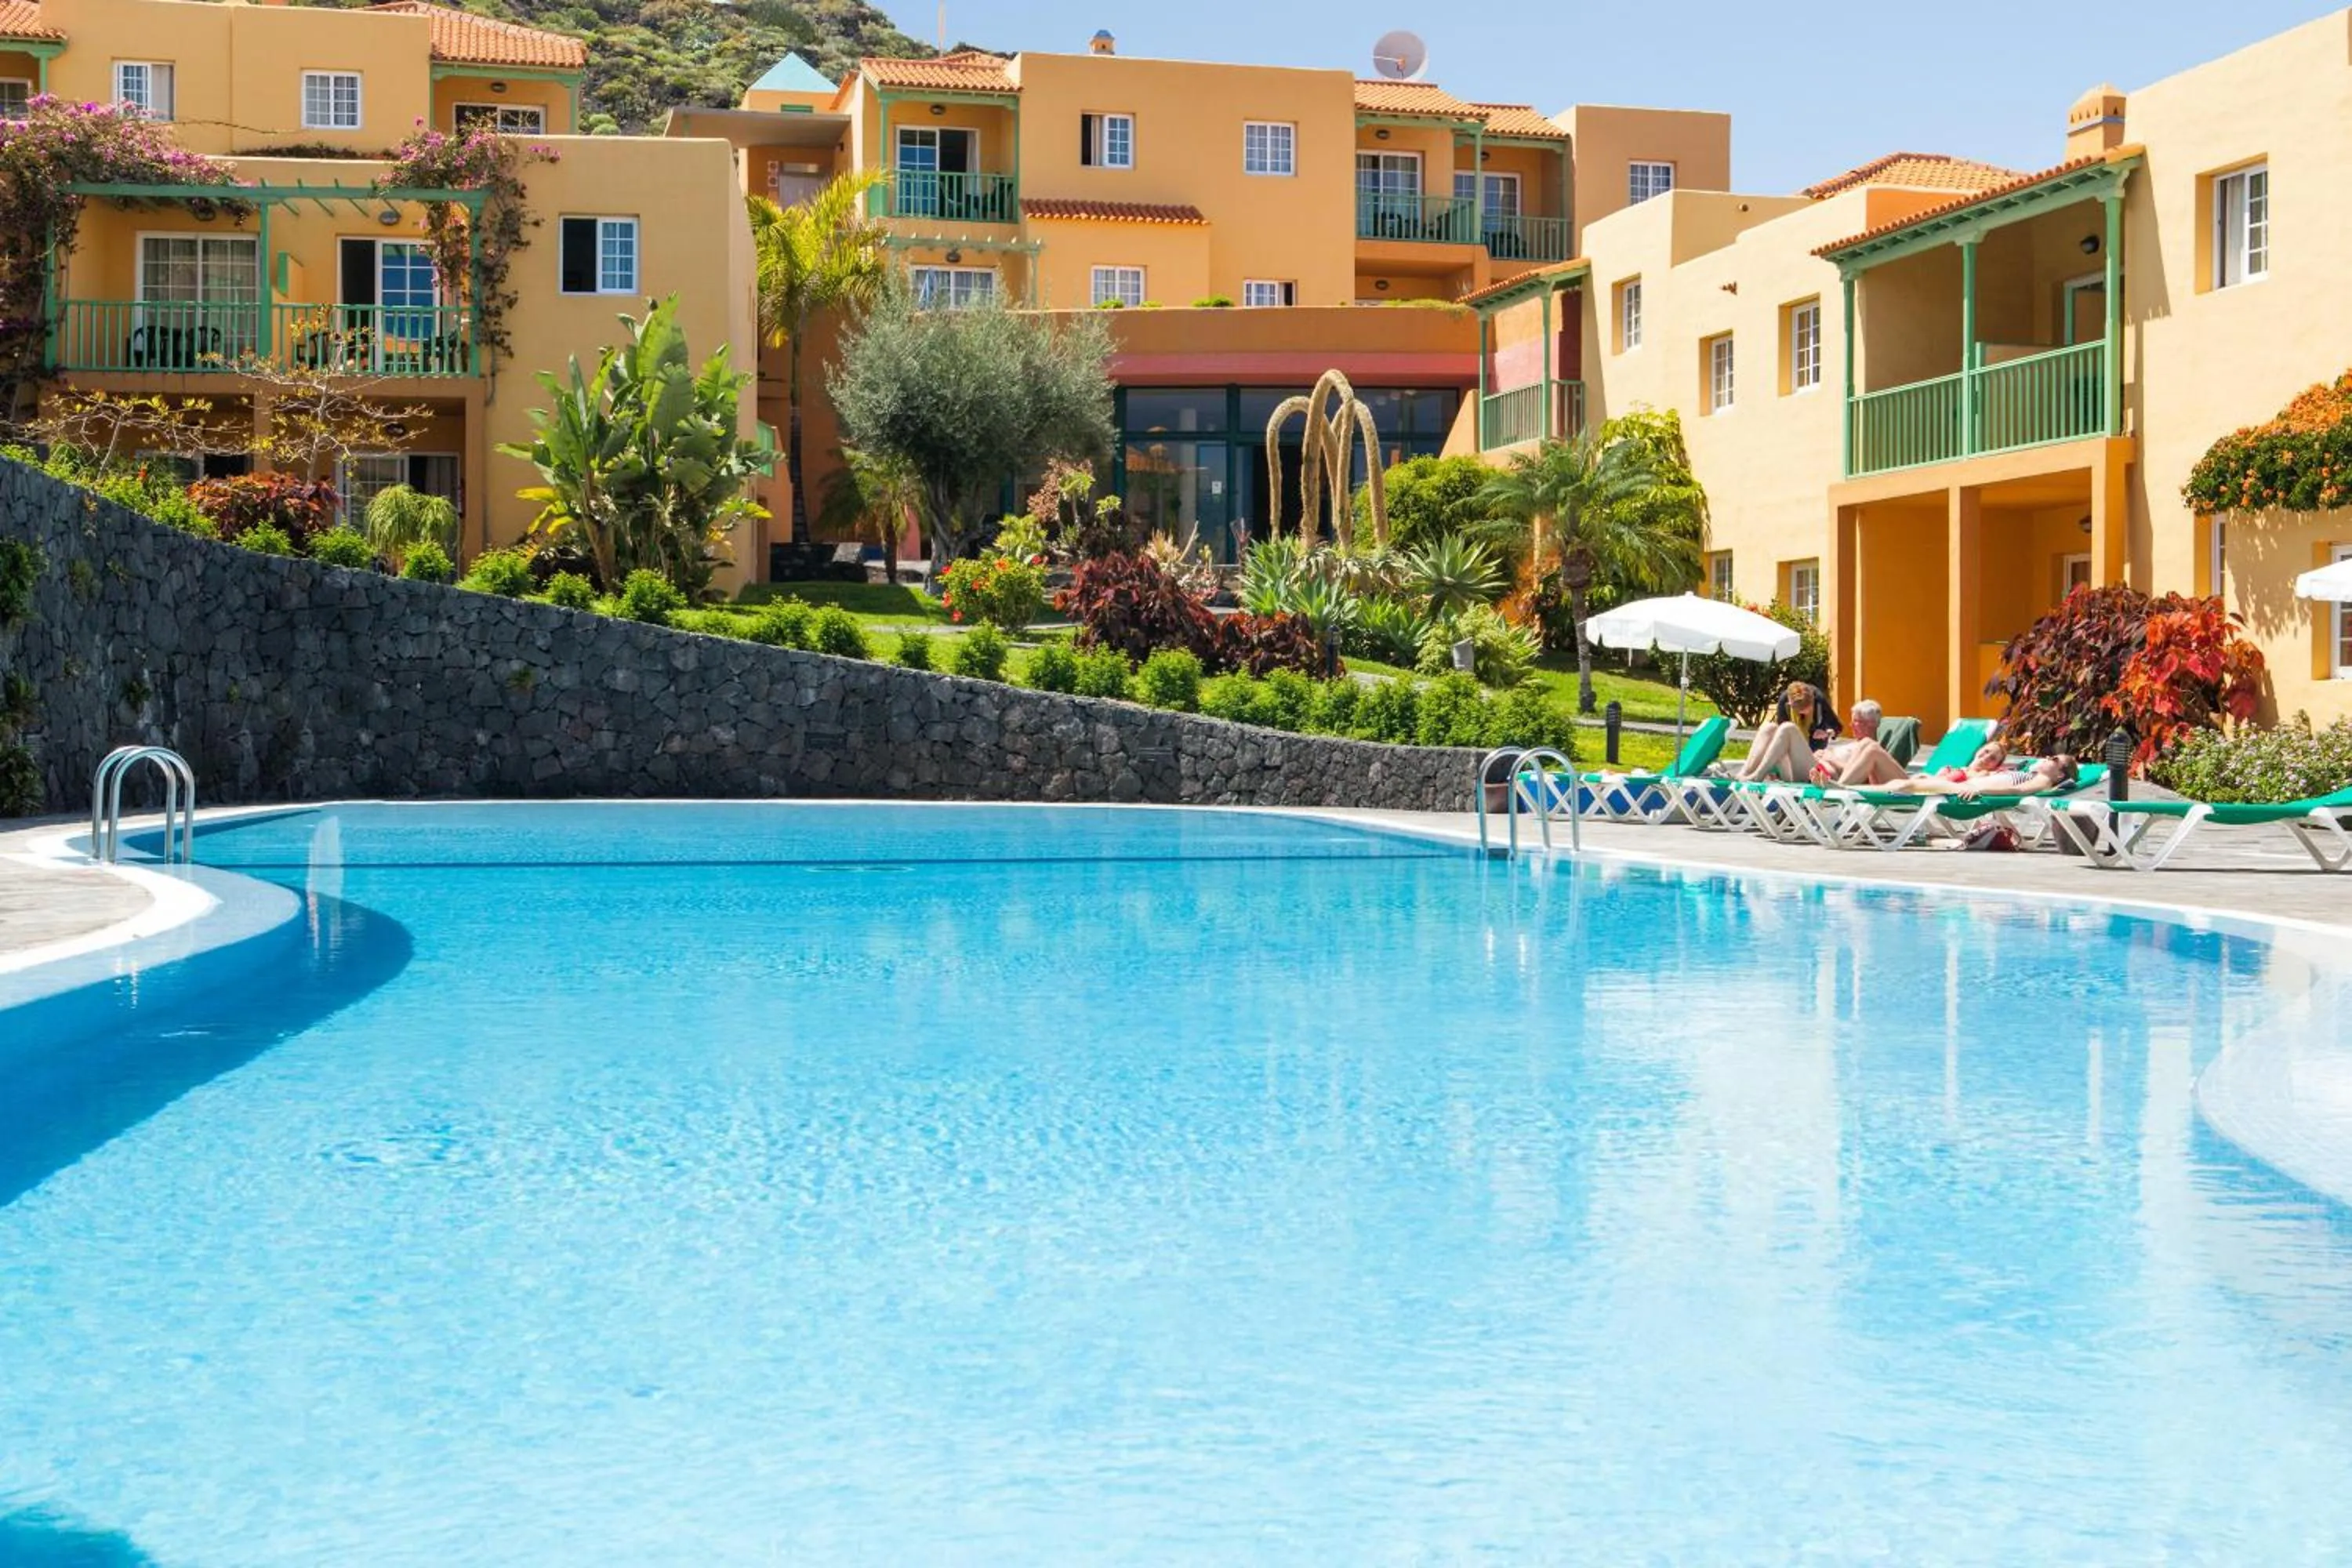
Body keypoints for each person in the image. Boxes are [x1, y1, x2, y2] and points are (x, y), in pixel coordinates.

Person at [1734, 681, 1842, 782]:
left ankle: (1758, 776)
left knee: (1788, 728)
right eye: (1799, 711)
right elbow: (1779, 740)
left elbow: (1837, 727)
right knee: (1769, 727)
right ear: (1790, 705)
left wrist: (1827, 733)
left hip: (1812, 764)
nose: (1803, 714)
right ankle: (1744, 773)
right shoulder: (1785, 701)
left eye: (1806, 709)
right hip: (1791, 763)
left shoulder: (1818, 700)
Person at [1891, 747, 2078, 797]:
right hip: (1963, 787)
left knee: (1905, 785)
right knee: (1901, 785)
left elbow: (2018, 791)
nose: (2047, 758)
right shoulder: (2034, 774)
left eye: (2054, 760)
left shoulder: (2043, 780)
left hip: (1965, 791)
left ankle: (1862, 791)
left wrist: (1980, 791)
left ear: (2060, 775)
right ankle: (1861, 790)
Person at [1812, 700, 1911, 786]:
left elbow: (1861, 774)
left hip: (1828, 776)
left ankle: (1838, 788)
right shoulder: (1862, 745)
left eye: (1855, 721)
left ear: (1870, 723)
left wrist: (1831, 759)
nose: (1851, 725)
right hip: (1818, 769)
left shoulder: (1871, 748)